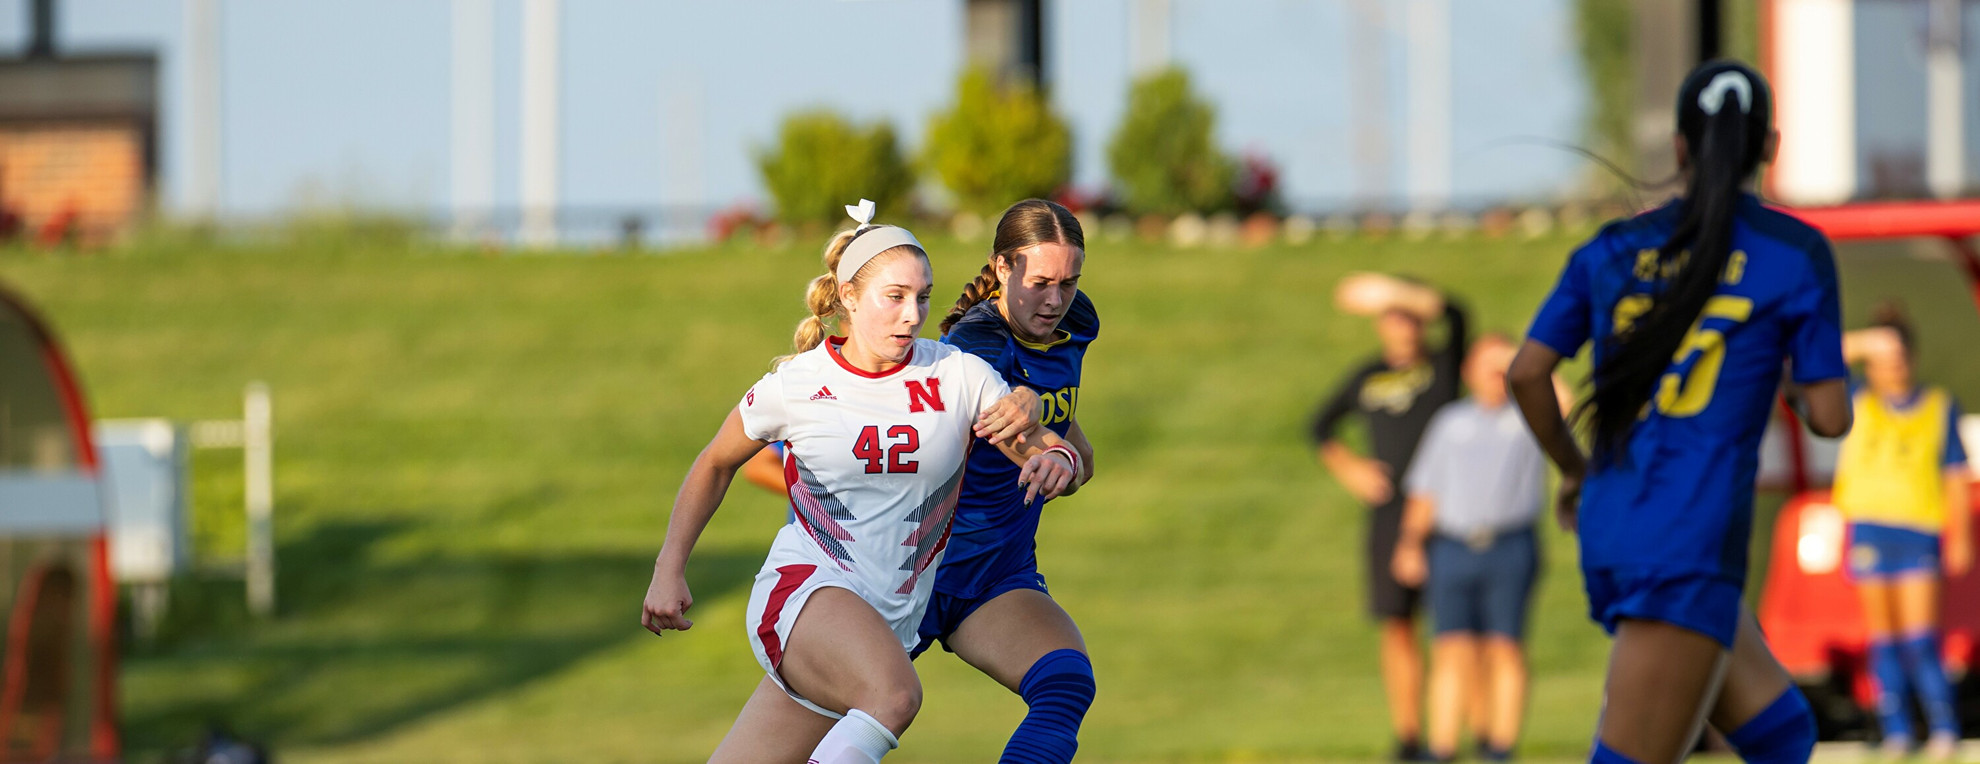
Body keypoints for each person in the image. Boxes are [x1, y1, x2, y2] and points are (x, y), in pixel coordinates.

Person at [640, 200, 1083, 764]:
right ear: (849, 297)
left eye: (922, 297)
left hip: (888, 622)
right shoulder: (798, 385)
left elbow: (1037, 446)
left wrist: (1059, 459)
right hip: (805, 594)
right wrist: (668, 569)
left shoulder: (958, 374)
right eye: (893, 297)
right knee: (894, 696)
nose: (912, 315)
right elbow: (716, 462)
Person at [1506, 60, 1852, 764]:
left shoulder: (1615, 249)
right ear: (1770, 148)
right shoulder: (1792, 252)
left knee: (1784, 736)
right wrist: (1779, 376)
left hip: (1619, 520)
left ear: (1680, 147)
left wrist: (1573, 470)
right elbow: (1832, 417)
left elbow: (1527, 374)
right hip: (1688, 539)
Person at [917, 199, 1100, 764]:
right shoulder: (976, 345)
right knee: (849, 709)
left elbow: (1075, 449)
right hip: (918, 571)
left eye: (1069, 282)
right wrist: (1046, 444)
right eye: (1041, 282)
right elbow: (1009, 431)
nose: (1055, 300)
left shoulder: (1076, 324)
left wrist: (1062, 457)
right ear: (1001, 269)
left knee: (1065, 681)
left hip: (998, 572)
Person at [1311, 271, 1469, 760]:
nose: (1403, 326)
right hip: (1388, 513)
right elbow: (1319, 426)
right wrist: (1351, 468)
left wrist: (1392, 290)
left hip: (1447, 511)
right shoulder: (1368, 376)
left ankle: (1463, 736)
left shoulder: (1444, 366)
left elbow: (1458, 313)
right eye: (1393, 317)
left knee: (1455, 630)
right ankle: (1408, 735)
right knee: (1396, 626)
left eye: (1411, 316)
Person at [1391, 334, 1552, 762]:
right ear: (1468, 372)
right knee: (1451, 648)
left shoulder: (1528, 418)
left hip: (1510, 544)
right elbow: (1425, 491)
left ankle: (1500, 746)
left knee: (1505, 647)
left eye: (1501, 368)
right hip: (1453, 545)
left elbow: (1564, 402)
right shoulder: (1450, 422)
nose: (1493, 377)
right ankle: (1442, 747)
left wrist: (1518, 364)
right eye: (1486, 367)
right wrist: (1409, 544)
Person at [1834, 301, 1971, 761]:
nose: (1892, 369)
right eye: (1882, 360)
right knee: (1884, 642)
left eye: (1898, 358)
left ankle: (1943, 727)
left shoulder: (1937, 406)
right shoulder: (1856, 400)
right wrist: (1864, 342)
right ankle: (1896, 731)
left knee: (1919, 640)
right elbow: (1809, 362)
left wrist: (1962, 536)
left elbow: (1954, 475)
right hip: (1870, 532)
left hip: (1917, 534)